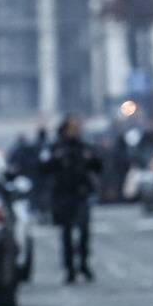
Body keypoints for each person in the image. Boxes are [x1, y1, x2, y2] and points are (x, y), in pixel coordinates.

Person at [43, 115, 104, 283]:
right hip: (62, 194)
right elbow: (44, 168)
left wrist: (90, 159)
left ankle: (83, 264)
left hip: (81, 193)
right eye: (71, 128)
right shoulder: (56, 148)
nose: (74, 132)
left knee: (84, 230)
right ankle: (69, 268)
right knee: (66, 233)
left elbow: (98, 166)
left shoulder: (84, 147)